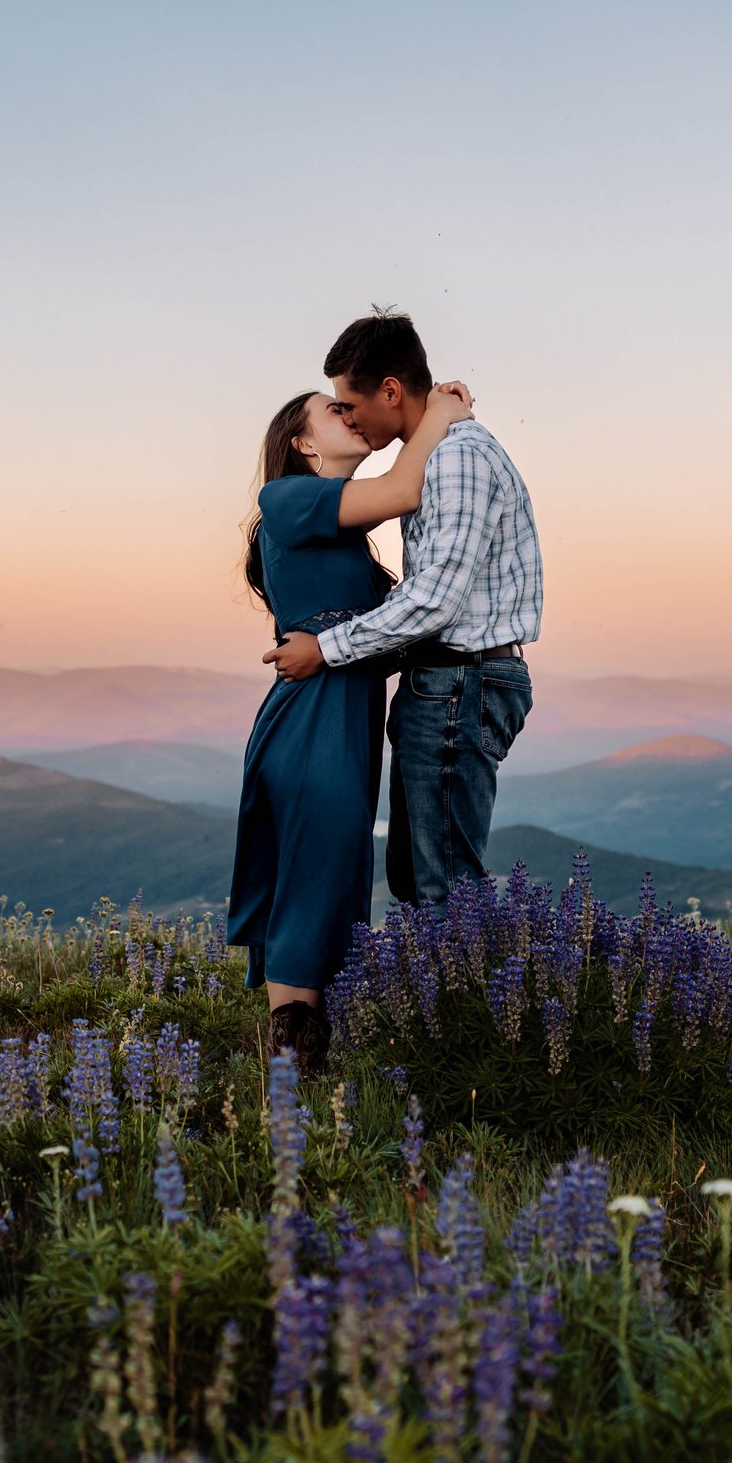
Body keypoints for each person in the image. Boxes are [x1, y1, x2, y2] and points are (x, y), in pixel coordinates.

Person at [229, 380, 475, 1073]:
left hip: (348, 727)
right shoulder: (286, 496)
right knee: (314, 877)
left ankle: (306, 1067)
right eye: (334, 410)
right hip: (311, 726)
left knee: (335, 877)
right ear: (303, 442)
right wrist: (440, 415)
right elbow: (403, 488)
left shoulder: (347, 541)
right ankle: (292, 1070)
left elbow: (399, 623)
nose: (351, 413)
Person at [264, 312, 543, 908]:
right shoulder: (439, 449)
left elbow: (436, 598)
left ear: (390, 390)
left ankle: (463, 1001)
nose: (350, 416)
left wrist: (327, 648)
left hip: (460, 680)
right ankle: (435, 998)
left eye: (349, 401)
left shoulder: (456, 458)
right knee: (420, 876)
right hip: (446, 679)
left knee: (441, 882)